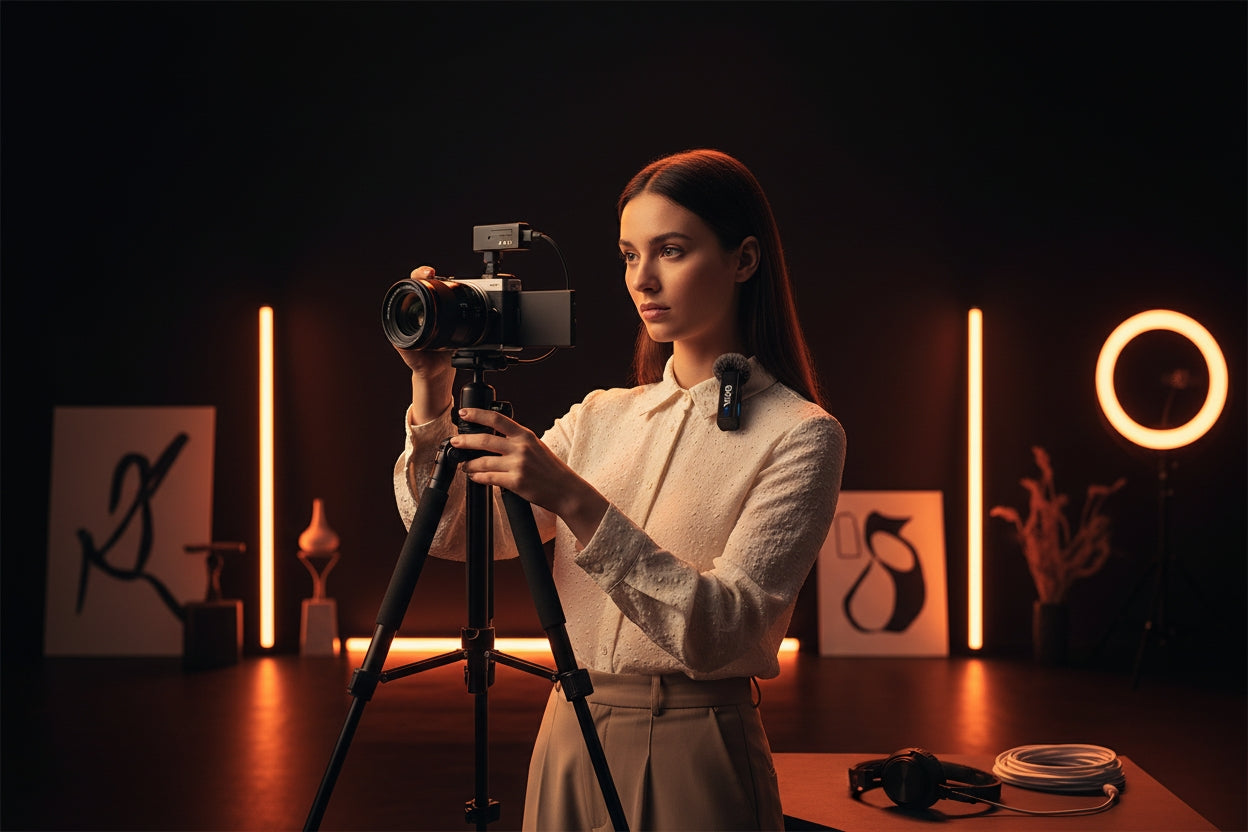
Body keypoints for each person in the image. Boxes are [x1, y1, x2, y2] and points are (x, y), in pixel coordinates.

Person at [393, 149, 846, 831]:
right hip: (569, 724)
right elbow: (459, 534)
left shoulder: (801, 434)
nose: (645, 279)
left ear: (744, 259)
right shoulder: (602, 415)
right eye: (629, 255)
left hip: (698, 741)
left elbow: (725, 632)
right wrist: (430, 391)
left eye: (671, 250)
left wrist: (576, 500)